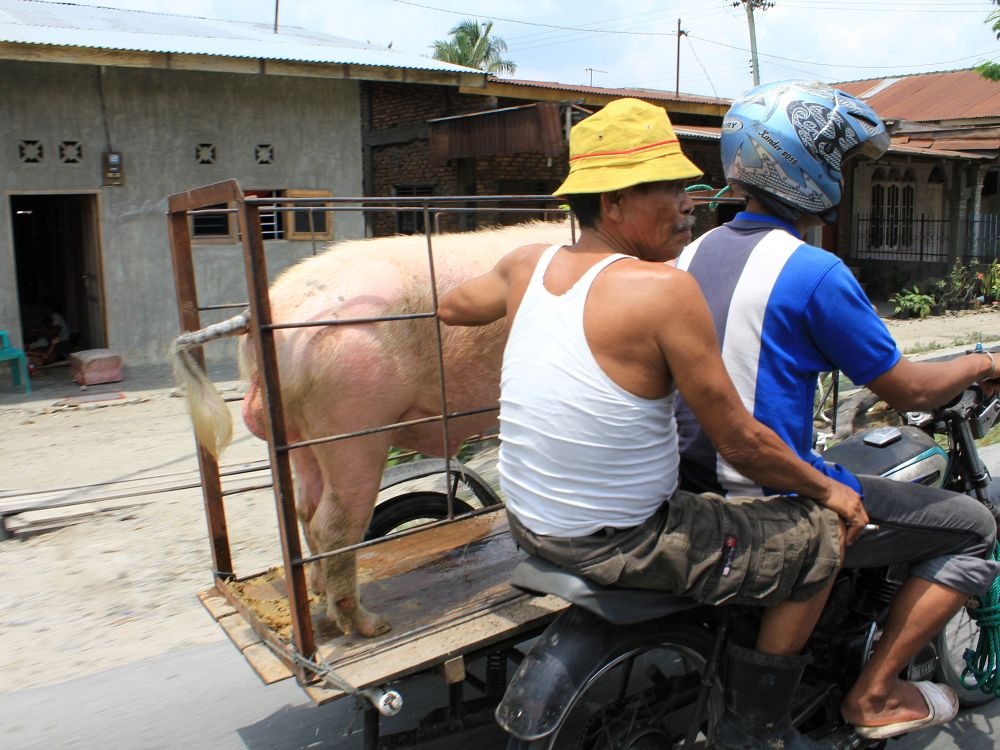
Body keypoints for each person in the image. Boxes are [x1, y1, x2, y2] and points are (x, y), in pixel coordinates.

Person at [438, 97, 866, 750]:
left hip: (532, 524)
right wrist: (831, 490)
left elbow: (452, 305)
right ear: (613, 204)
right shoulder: (662, 289)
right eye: (670, 188)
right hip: (624, 538)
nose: (689, 202)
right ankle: (757, 726)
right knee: (824, 537)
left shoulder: (527, 265)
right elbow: (741, 441)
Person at [676, 81, 1000, 743]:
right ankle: (875, 694)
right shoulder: (813, 271)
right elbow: (908, 389)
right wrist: (983, 362)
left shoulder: (690, 254)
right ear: (808, 163)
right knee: (972, 527)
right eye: (843, 160)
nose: (846, 176)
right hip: (771, 495)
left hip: (690, 485)